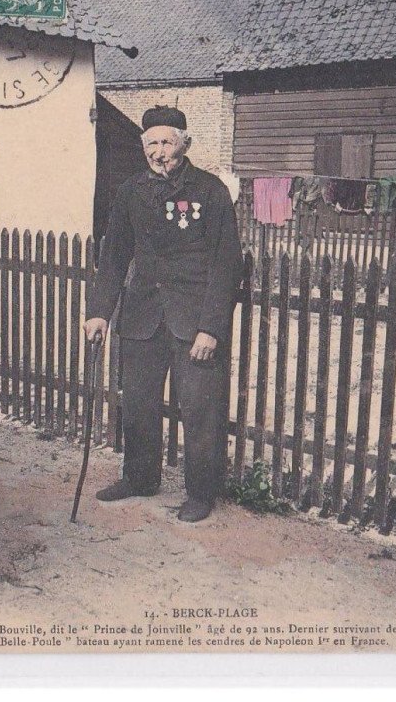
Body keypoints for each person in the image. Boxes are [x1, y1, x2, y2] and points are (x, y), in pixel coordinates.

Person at [83, 106, 244, 522]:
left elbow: (227, 264)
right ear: (143, 147)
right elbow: (114, 254)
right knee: (137, 402)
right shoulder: (130, 191)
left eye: (167, 142)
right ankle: (139, 478)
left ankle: (201, 493)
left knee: (199, 408)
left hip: (193, 322)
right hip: (141, 316)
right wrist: (100, 311)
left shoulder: (210, 191)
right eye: (151, 143)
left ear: (184, 144)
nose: (159, 151)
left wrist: (211, 328)